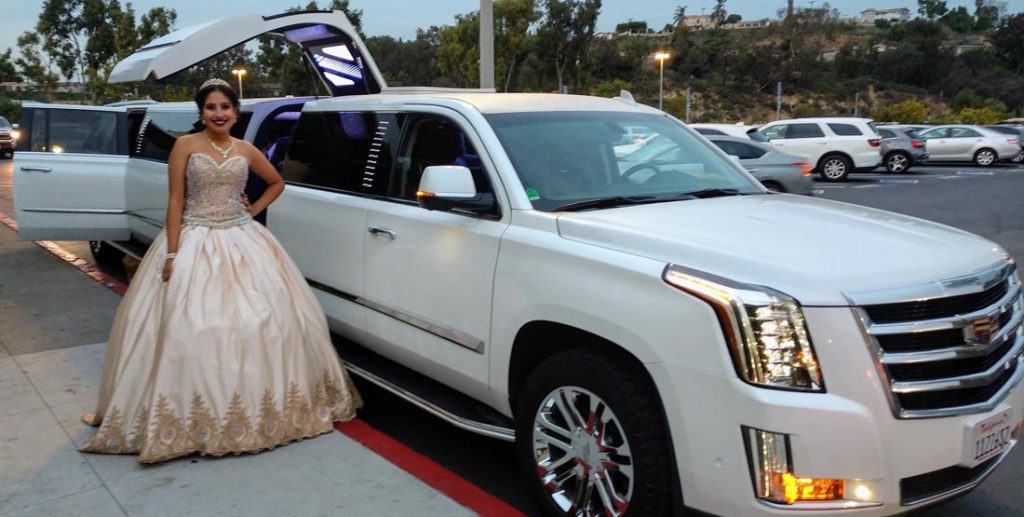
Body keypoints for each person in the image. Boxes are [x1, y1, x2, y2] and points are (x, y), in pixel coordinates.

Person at [79, 79, 361, 463]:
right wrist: (172, 254)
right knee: (191, 324)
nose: (218, 114)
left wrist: (252, 208)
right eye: (211, 107)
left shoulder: (245, 149)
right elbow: (175, 201)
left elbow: (277, 182)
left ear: (235, 111)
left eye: (225, 107)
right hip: (194, 238)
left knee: (262, 320)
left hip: (243, 238)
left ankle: (261, 407)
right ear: (201, 112)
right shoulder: (185, 146)